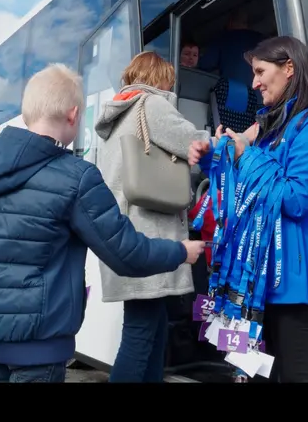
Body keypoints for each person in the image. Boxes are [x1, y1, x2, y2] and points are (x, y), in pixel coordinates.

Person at [0, 63, 205, 383]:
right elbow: (126, 254)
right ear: (72, 115)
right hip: (38, 345)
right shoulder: (76, 177)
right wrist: (180, 251)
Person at [189, 36, 308, 383]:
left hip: (293, 285)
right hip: (254, 284)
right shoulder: (268, 130)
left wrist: (247, 154)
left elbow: (295, 199)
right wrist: (214, 158)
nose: (255, 82)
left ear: (289, 68)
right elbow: (243, 188)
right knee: (250, 377)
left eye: (261, 71)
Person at [93, 51, 211, 383]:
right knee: (140, 333)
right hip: (148, 234)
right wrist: (239, 141)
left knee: (153, 327)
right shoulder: (151, 104)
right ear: (159, 78)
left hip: (125, 232)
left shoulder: (117, 116)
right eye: (169, 80)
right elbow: (196, 143)